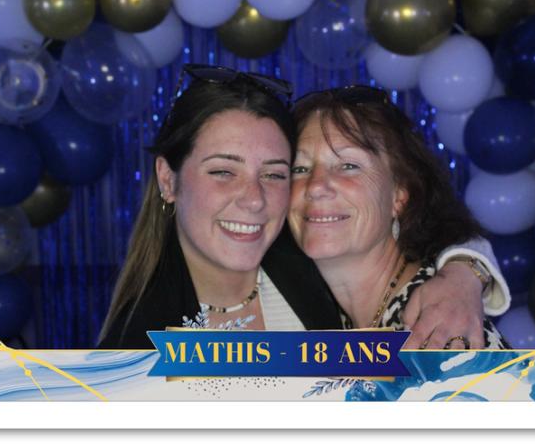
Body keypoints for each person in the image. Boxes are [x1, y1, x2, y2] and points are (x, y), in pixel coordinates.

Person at [98, 65, 509, 349]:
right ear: (168, 180)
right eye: (223, 171)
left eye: (275, 173)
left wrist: (464, 273)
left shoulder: (437, 327)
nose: (254, 198)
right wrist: (467, 270)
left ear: (400, 195)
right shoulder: (134, 350)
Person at [288, 86, 508, 348]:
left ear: (399, 196)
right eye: (299, 169)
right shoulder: (328, 318)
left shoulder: (440, 329)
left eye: (348, 166)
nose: (315, 186)